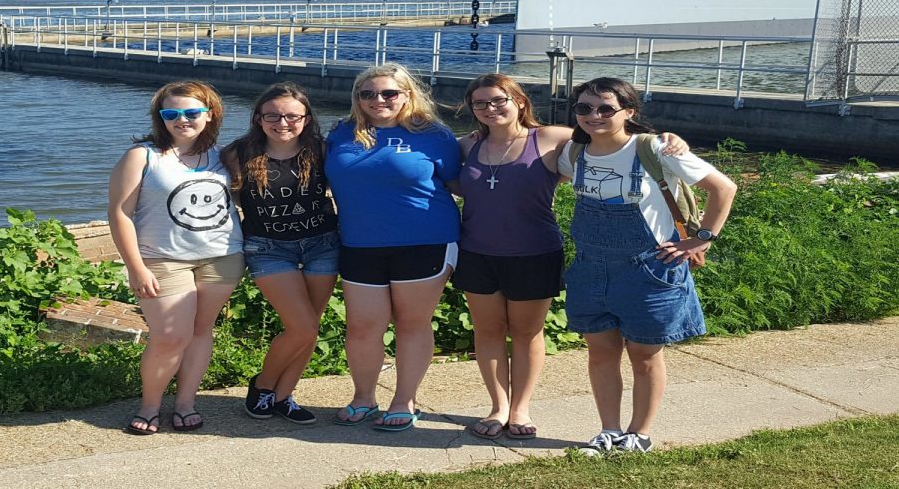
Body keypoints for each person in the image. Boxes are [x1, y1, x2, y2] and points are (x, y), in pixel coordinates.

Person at [454, 73, 688, 441]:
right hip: (476, 250)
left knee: (527, 332)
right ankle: (498, 406)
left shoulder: (552, 138)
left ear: (519, 101)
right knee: (487, 331)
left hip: (534, 251)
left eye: (499, 100)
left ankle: (520, 409)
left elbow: (611, 136)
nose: (490, 108)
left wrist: (668, 140)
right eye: (480, 102)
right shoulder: (465, 145)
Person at [557, 77, 737, 454]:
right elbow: (526, 138)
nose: (595, 115)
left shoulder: (655, 149)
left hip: (648, 270)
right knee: (601, 352)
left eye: (606, 108)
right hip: (591, 270)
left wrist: (701, 238)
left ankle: (638, 433)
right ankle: (608, 429)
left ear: (629, 112)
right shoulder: (574, 153)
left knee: (644, 355)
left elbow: (724, 188)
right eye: (585, 108)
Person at [325, 63, 461, 431]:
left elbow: (459, 182)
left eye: (389, 93)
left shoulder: (435, 135)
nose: (378, 100)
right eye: (367, 94)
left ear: (408, 95)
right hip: (359, 243)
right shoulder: (341, 133)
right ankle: (364, 397)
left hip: (425, 240)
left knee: (411, 323)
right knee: (361, 326)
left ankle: (404, 399)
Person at [109, 80, 244, 435]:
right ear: (161, 117)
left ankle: (186, 402)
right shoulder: (143, 156)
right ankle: (150, 404)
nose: (182, 120)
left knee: (201, 331)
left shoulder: (225, 155)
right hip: (162, 259)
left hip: (222, 256)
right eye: (172, 113)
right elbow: (120, 214)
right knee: (169, 336)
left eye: (192, 112)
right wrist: (135, 267)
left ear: (209, 113)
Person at [222, 82, 339, 425]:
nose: (282, 122)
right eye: (272, 115)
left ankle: (284, 396)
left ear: (306, 118)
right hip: (268, 248)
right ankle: (262, 387)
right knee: (301, 328)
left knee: (310, 328)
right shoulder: (237, 153)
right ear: (258, 118)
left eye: (292, 115)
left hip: (322, 243)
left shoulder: (321, 149)